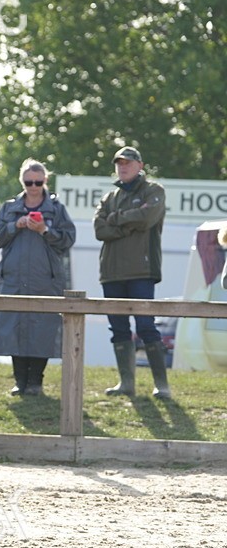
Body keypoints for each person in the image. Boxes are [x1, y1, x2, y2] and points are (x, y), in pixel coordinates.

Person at [0, 160, 77, 396]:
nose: (34, 186)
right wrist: (14, 225)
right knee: (14, 328)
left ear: (45, 181)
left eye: (38, 182)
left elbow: (68, 240)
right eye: (29, 182)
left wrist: (44, 231)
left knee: (43, 329)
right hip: (13, 280)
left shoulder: (57, 210)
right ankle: (20, 381)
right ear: (22, 181)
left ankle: (36, 382)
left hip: (45, 280)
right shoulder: (9, 208)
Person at [94, 146, 169, 398]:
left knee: (146, 326)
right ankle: (126, 384)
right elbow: (99, 230)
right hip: (111, 272)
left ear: (140, 165)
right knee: (118, 329)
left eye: (128, 162)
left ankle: (162, 386)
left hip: (142, 270)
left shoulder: (154, 190)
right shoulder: (109, 197)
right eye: (119, 163)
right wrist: (128, 225)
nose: (122, 167)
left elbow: (147, 218)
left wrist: (116, 219)